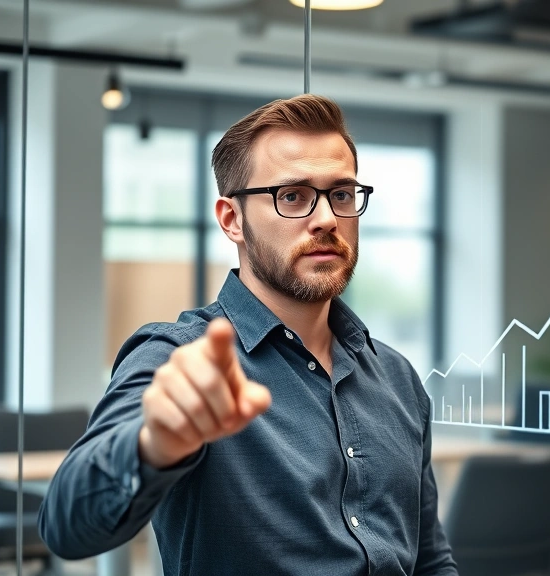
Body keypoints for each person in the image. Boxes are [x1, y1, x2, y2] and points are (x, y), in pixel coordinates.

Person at [38, 94, 457, 575]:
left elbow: (429, 560)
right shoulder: (179, 358)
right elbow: (66, 525)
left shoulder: (398, 379)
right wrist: (153, 444)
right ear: (232, 220)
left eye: (341, 194)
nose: (326, 219)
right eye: (293, 196)